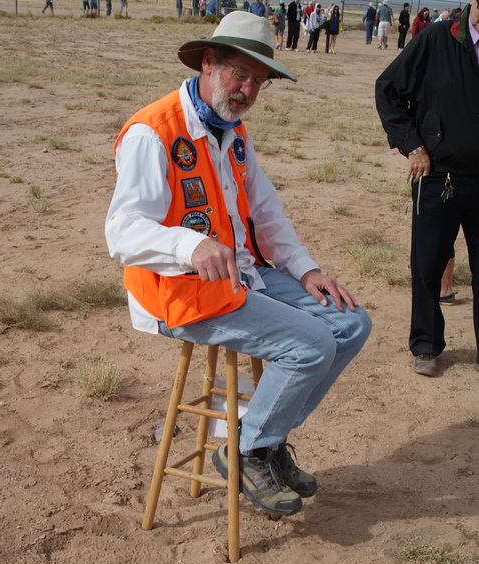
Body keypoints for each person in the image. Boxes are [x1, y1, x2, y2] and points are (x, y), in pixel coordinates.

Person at [106, 12, 372, 516]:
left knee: (351, 322)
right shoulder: (153, 132)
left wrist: (306, 270)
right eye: (239, 75)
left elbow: (267, 212)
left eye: (258, 81)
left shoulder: (235, 131)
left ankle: (261, 442)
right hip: (177, 291)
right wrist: (190, 246)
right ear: (209, 63)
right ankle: (251, 449)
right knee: (310, 343)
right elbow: (121, 233)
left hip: (241, 276)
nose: (247, 89)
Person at [375, 2, 479, 377]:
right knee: (427, 265)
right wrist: (414, 145)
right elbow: (387, 89)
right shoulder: (439, 37)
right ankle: (427, 345)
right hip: (440, 175)